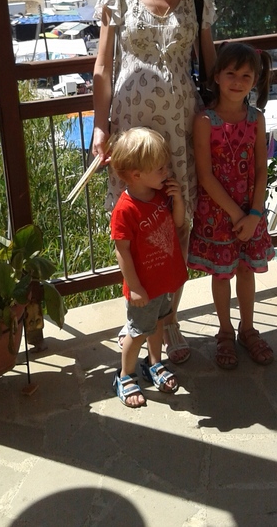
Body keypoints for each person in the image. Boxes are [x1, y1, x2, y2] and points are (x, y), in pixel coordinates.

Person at [92, 0, 217, 364]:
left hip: (180, 129)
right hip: (132, 130)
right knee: (135, 227)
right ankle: (139, 320)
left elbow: (209, 63)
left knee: (174, 226)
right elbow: (102, 68)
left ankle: (169, 321)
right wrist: (99, 126)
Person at [188, 43, 275, 369]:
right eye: (231, 74)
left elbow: (262, 169)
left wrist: (255, 213)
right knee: (222, 274)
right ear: (217, 76)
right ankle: (225, 331)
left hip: (250, 212)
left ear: (255, 80)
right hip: (218, 214)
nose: (237, 81)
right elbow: (206, 176)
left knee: (246, 270)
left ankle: (247, 329)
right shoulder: (204, 121)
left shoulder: (256, 119)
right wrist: (238, 214)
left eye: (245, 76)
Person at [109, 127, 189, 407]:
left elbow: (178, 223)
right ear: (136, 175)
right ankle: (125, 375)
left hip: (165, 280)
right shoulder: (125, 210)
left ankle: (154, 362)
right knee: (137, 332)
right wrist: (135, 288)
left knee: (159, 324)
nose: (166, 171)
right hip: (144, 287)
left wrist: (178, 200)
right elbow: (122, 251)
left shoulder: (160, 194)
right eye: (160, 168)